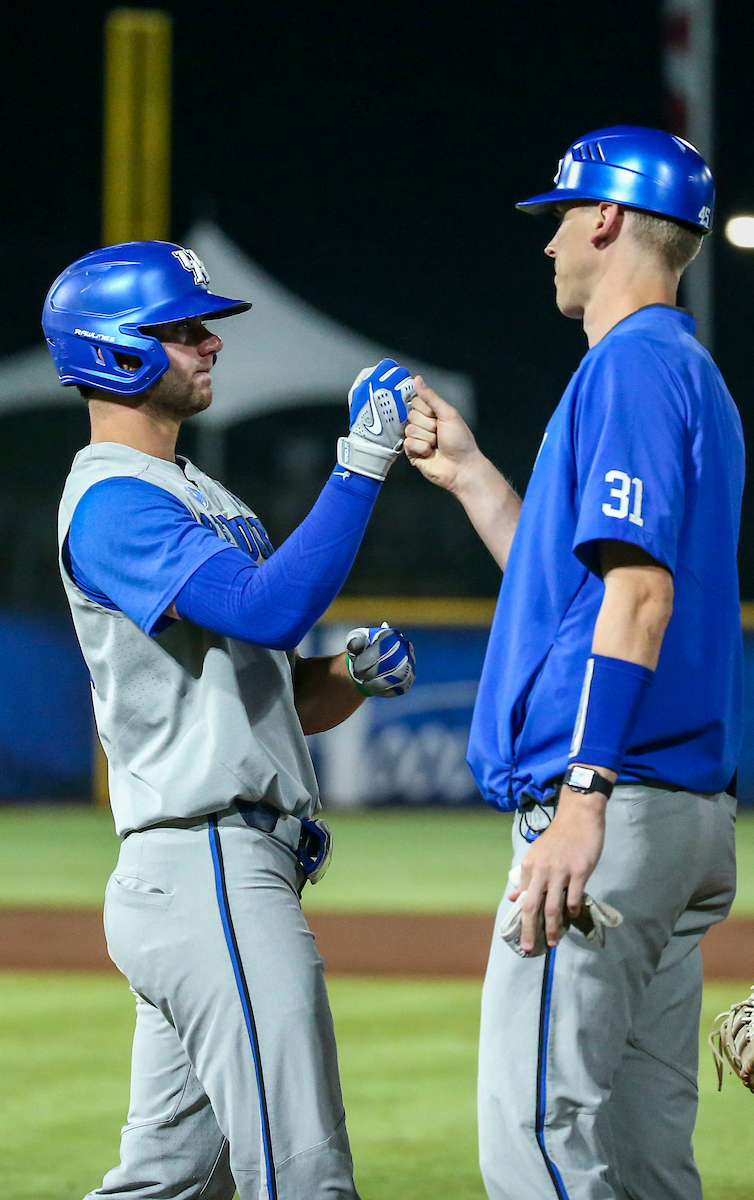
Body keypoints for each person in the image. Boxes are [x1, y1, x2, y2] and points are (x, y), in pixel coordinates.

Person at [404, 126, 744, 1200]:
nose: (547, 241)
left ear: (601, 219)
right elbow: (575, 596)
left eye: (557, 216)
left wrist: (582, 798)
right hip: (682, 812)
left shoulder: (631, 367)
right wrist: (468, 478)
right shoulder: (684, 372)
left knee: (538, 1132)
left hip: (616, 804)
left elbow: (638, 597)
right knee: (645, 1159)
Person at [43, 240, 416, 1200]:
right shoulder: (113, 500)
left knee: (166, 1186)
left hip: (217, 870)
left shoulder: (191, 493)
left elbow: (270, 689)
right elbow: (264, 608)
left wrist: (345, 677)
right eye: (181, 329)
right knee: (304, 1179)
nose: (209, 343)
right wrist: (361, 465)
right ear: (116, 350)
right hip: (205, 867)